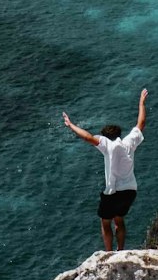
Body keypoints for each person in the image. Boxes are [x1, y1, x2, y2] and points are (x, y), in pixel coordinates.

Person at [62, 88, 148, 251]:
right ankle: (120, 250)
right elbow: (141, 123)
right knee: (119, 219)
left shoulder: (107, 144)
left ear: (104, 136)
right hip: (130, 190)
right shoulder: (128, 143)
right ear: (118, 134)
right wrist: (141, 102)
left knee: (106, 221)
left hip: (113, 192)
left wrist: (71, 125)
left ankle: (108, 253)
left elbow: (88, 137)